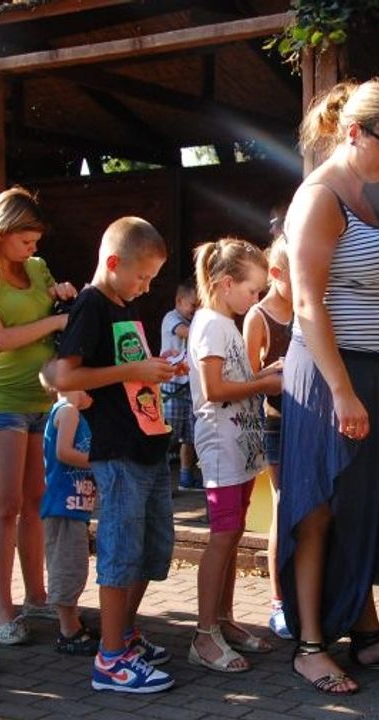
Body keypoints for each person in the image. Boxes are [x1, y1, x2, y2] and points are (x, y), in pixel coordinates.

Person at [279, 77, 379, 696]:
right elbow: (310, 304)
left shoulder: (363, 197)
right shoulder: (318, 198)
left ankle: (366, 637)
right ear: (353, 133)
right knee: (317, 507)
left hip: (366, 369)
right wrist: (341, 390)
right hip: (324, 373)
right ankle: (310, 645)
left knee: (362, 507)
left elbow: (366, 287)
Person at [51, 216, 177, 694]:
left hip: (146, 443)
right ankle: (109, 659)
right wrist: (133, 369)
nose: (146, 288)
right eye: (142, 277)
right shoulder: (91, 305)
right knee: (121, 552)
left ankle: (123, 635)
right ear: (113, 262)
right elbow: (66, 378)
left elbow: (129, 370)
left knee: (150, 548)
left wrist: (154, 370)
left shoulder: (123, 306)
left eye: (152, 279)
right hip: (117, 451)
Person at [0, 187, 77, 645]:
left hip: (42, 400)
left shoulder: (37, 268)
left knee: (36, 503)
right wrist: (56, 322)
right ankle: (1, 611)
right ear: (2, 232)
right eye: (25, 242)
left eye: (35, 243)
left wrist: (63, 297)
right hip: (1, 400)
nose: (33, 251)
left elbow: (52, 305)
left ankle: (37, 595)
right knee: (3, 507)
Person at [186, 238, 280, 673]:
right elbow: (214, 390)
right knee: (223, 535)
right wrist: (263, 385)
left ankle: (223, 620)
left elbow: (232, 380)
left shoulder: (224, 322)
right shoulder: (211, 325)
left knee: (234, 532)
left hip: (238, 445)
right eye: (252, 291)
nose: (256, 299)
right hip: (221, 447)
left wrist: (261, 375)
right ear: (225, 284)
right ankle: (204, 635)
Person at [242, 235, 294, 638]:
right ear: (276, 273)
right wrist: (273, 375)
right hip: (276, 423)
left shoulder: (310, 308)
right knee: (283, 508)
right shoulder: (258, 317)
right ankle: (278, 601)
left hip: (313, 424)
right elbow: (243, 381)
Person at [39, 381, 99, 655]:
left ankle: (71, 621)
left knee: (73, 564)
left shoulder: (71, 412)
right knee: (67, 566)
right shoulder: (68, 410)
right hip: (64, 506)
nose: (91, 394)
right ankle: (68, 629)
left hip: (73, 506)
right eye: (88, 387)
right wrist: (100, 461)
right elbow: (64, 453)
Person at [159, 279, 200, 489]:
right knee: (168, 436)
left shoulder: (193, 321)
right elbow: (186, 332)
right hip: (172, 388)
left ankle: (186, 477)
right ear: (179, 301)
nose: (196, 309)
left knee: (190, 436)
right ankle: (161, 481)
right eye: (193, 305)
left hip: (189, 387)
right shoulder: (171, 319)